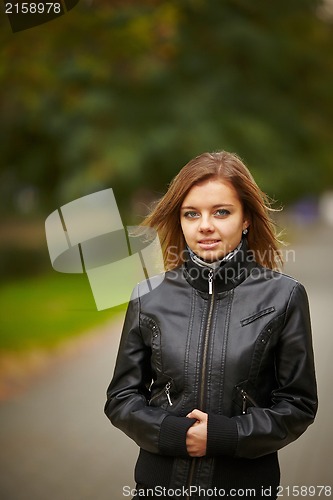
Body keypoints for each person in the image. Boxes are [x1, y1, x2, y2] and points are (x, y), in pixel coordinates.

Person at [104, 151, 317, 500]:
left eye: (221, 211)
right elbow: (121, 398)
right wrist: (172, 433)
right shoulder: (148, 297)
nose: (205, 225)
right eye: (192, 213)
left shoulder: (285, 296)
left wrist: (225, 435)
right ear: (181, 220)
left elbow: (298, 405)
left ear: (245, 218)